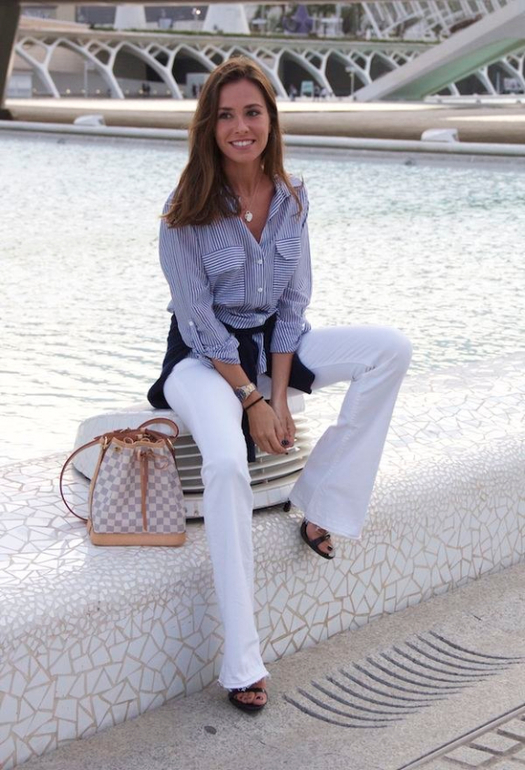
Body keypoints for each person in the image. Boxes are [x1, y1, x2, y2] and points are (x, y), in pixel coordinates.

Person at [148, 56, 412, 713]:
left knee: (389, 350)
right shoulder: (183, 213)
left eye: (252, 112)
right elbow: (200, 324)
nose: (240, 127)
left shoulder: (293, 196)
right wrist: (252, 400)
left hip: (271, 349)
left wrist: (279, 393)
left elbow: (292, 307)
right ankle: (241, 658)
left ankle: (321, 501)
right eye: (226, 116)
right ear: (208, 127)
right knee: (226, 463)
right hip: (202, 361)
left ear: (270, 118)